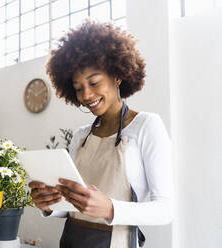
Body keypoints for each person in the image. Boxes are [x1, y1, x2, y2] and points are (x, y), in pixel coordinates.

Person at [28, 21, 174, 248]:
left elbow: (165, 210)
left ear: (117, 75)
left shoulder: (147, 125)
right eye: (78, 88)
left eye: (94, 82)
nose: (86, 95)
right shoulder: (81, 136)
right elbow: (73, 208)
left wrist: (110, 208)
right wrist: (49, 205)